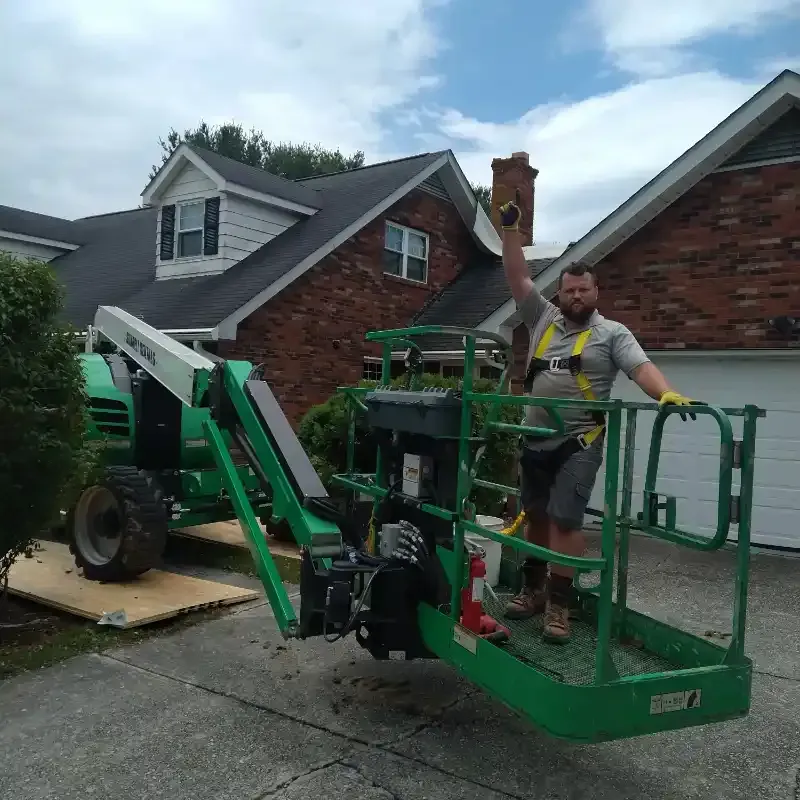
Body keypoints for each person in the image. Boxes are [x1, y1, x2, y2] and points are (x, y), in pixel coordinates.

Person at [498, 198, 701, 643]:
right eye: (569, 289)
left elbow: (640, 367)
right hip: (533, 438)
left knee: (566, 521)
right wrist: (510, 231)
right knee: (534, 515)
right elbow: (517, 275)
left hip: (578, 443)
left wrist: (663, 391)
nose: (575, 296)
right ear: (560, 293)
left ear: (596, 292)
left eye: (583, 290)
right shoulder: (542, 318)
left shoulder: (613, 334)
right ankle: (531, 590)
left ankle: (558, 608)